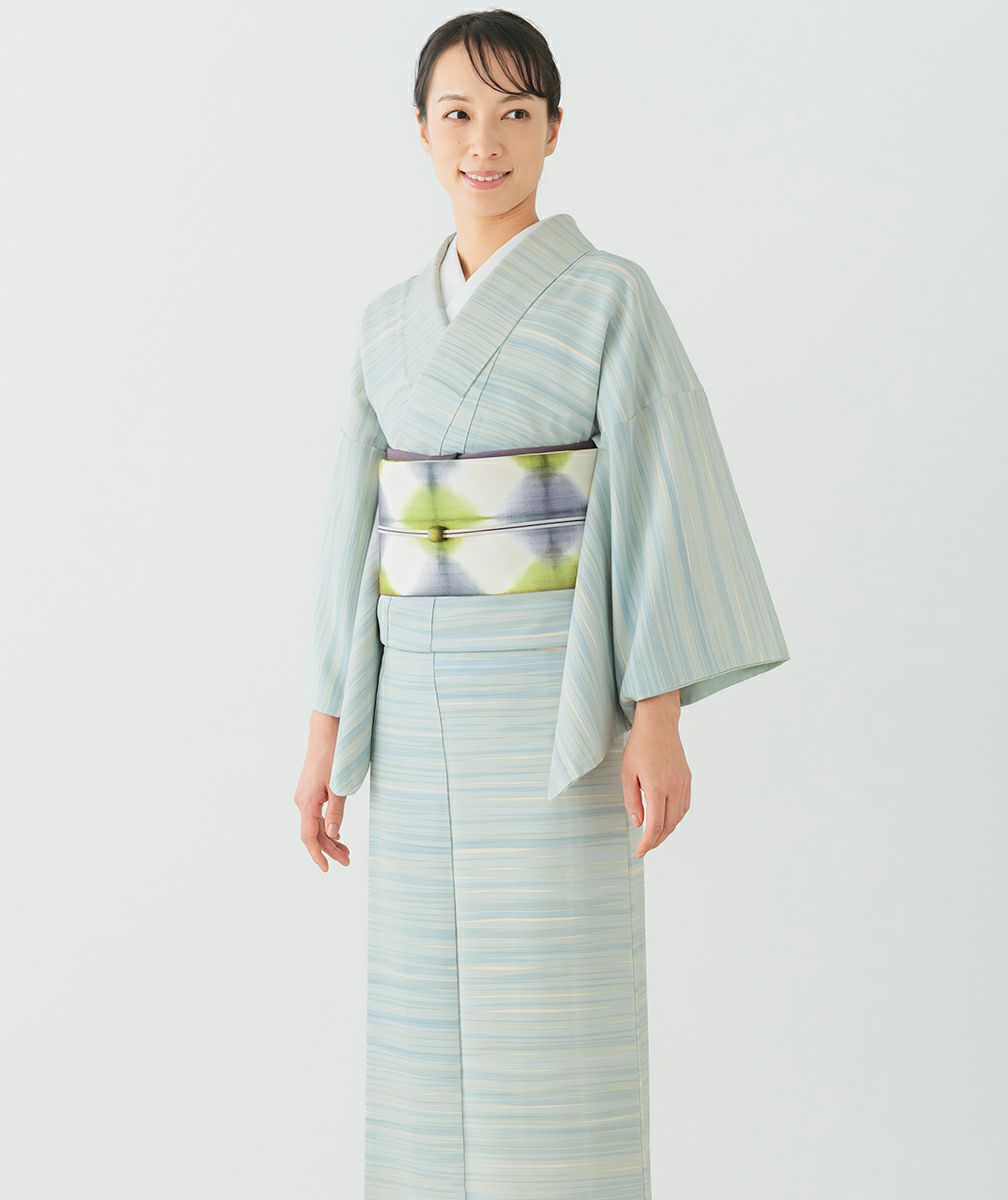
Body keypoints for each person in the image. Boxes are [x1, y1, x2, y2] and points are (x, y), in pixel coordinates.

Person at [293, 11, 790, 1198]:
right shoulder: (385, 327)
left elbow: (661, 494)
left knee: (558, 1010)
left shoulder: (611, 296)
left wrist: (657, 716)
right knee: (422, 1014)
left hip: (552, 698)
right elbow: (352, 536)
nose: (486, 142)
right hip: (414, 709)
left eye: (515, 113)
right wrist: (324, 738)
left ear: (555, 130)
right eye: (458, 114)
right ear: (421, 132)